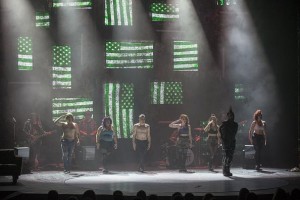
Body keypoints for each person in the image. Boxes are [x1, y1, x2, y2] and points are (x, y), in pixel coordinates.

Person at [219, 107, 238, 177]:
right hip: (226, 142)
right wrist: (222, 139)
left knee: (230, 156)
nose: (231, 117)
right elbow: (220, 130)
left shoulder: (235, 124)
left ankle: (227, 169)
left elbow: (234, 133)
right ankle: (225, 170)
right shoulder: (225, 124)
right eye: (229, 115)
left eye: (232, 115)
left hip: (232, 141)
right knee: (226, 156)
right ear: (228, 116)